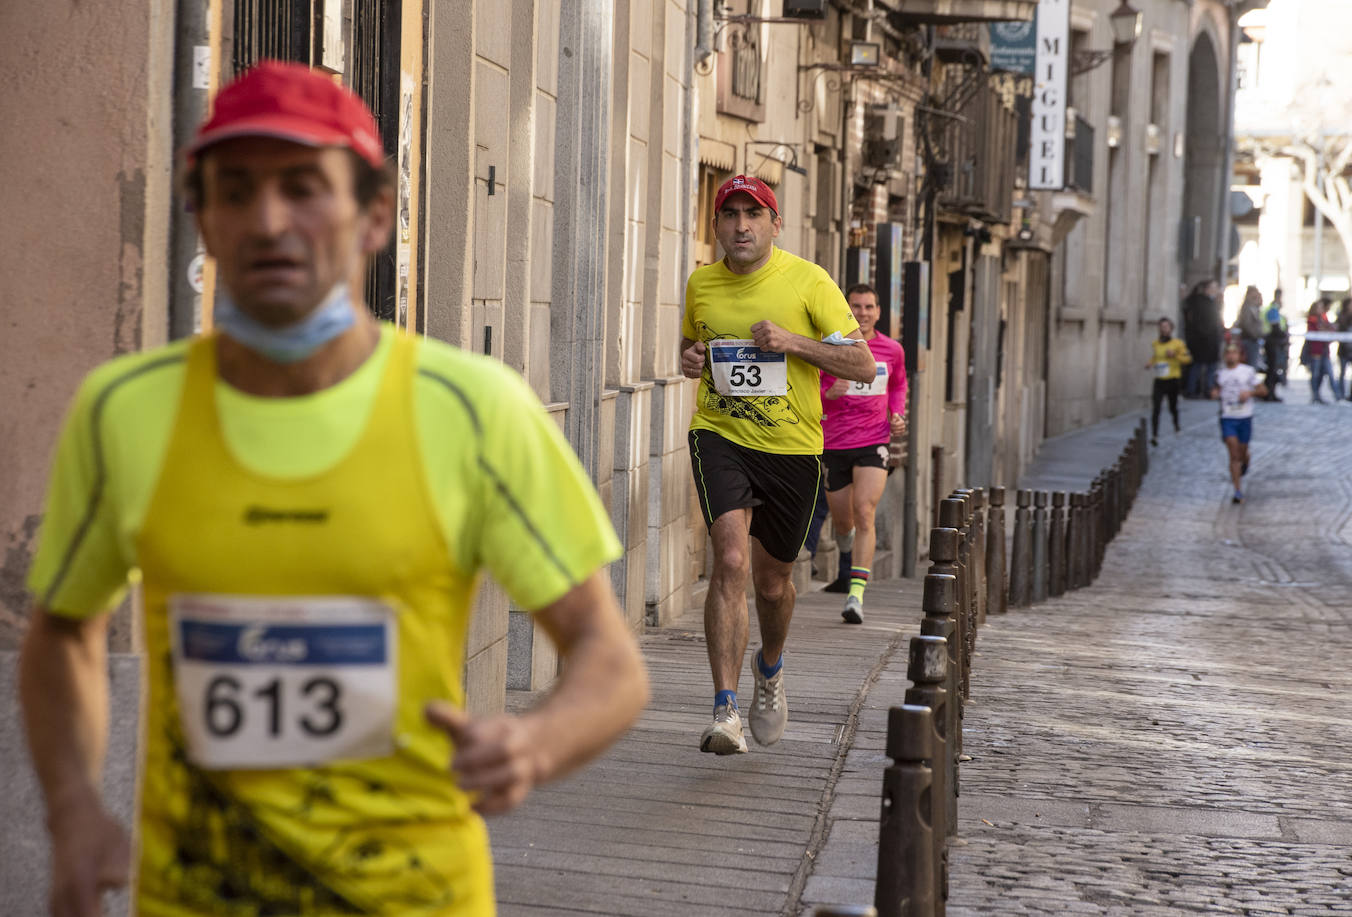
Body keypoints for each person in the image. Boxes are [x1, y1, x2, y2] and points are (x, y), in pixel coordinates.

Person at [18, 61, 649, 917]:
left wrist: (532, 744)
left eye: (305, 187)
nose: (269, 221)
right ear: (199, 217)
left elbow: (610, 661)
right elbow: (62, 631)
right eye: (234, 191)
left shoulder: (472, 409)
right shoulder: (124, 410)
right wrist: (74, 811)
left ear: (375, 214)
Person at [680, 174, 875, 755]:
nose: (742, 226)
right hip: (719, 435)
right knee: (732, 559)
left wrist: (793, 342)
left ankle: (770, 667)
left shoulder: (809, 281)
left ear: (774, 223)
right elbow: (695, 345)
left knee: (772, 583)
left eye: (753, 214)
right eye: (730, 214)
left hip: (792, 450)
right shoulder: (701, 284)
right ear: (714, 225)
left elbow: (862, 365)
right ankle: (724, 708)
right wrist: (689, 358)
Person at [818, 283, 909, 624]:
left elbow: (898, 384)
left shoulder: (892, 350)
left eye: (869, 307)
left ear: (878, 312)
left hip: (874, 440)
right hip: (835, 443)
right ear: (847, 309)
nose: (862, 313)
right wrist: (830, 392)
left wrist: (896, 414)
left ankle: (855, 595)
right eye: (855, 306)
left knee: (864, 510)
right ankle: (848, 550)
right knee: (844, 521)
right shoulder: (832, 348)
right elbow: (811, 387)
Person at [1212, 341, 1267, 504]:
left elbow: (1263, 391)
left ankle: (1246, 462)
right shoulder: (1219, 374)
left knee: (1242, 452)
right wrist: (1215, 393)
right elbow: (1214, 390)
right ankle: (1237, 490)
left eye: (1234, 353)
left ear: (1239, 355)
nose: (1231, 356)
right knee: (1233, 452)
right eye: (1228, 353)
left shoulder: (1248, 372)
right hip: (1228, 417)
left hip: (1245, 417)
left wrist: (1249, 393)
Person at [1145, 316, 1191, 446]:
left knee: (1173, 407)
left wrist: (1175, 355)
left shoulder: (1177, 344)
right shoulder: (1156, 344)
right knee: (1156, 408)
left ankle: (1176, 426)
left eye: (1166, 327)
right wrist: (1149, 364)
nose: (1163, 329)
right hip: (1159, 379)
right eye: (1161, 327)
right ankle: (1154, 435)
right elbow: (1155, 357)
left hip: (1173, 379)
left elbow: (1187, 359)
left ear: (1171, 328)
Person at [1182, 280, 1223, 397]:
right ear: (1206, 289)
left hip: (1211, 341)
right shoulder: (1200, 302)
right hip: (1203, 341)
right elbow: (1200, 323)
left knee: (1210, 366)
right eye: (1213, 288)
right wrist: (1206, 335)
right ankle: (1193, 390)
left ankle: (1207, 390)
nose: (1215, 290)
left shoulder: (1212, 302)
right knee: (1198, 365)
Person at [1302, 298, 1340, 404]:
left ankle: (1337, 396)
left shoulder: (1323, 318)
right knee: (1315, 374)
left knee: (1328, 373)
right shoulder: (1312, 319)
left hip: (1324, 350)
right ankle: (1315, 395)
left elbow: (1330, 329)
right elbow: (1319, 329)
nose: (1321, 309)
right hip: (1315, 351)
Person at [1261, 289, 1288, 401]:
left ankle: (1271, 393)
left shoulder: (1274, 310)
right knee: (1272, 370)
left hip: (1273, 342)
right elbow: (1275, 328)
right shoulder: (1272, 310)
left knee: (1273, 369)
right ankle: (1268, 393)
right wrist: (1284, 336)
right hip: (1273, 342)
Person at [1235, 285, 1264, 368]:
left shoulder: (1255, 306)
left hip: (1253, 339)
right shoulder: (1247, 307)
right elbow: (1247, 324)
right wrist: (1255, 335)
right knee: (1251, 365)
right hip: (1249, 339)